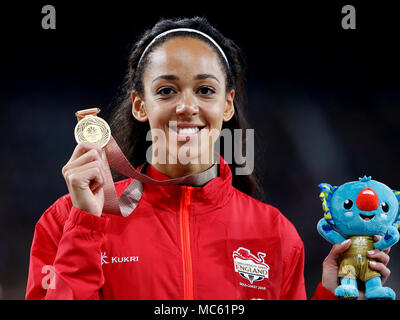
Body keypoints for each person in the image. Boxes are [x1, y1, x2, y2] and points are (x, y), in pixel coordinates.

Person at [25, 17, 391, 300]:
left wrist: (331, 292)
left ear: (227, 104)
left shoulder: (275, 233)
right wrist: (86, 227)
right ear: (140, 105)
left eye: (205, 90)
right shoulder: (68, 220)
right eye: (166, 90)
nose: (187, 106)